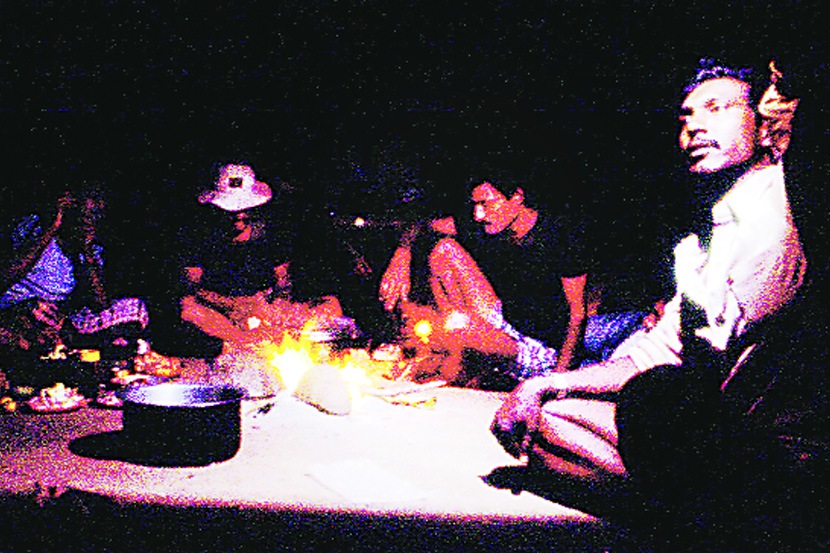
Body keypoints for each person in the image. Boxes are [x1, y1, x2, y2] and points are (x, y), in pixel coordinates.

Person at [491, 58, 827, 550]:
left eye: (717, 108)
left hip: (780, 451)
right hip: (704, 438)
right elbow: (655, 352)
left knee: (652, 400)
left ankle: (740, 518)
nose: (695, 126)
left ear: (763, 125)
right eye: (686, 116)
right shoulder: (710, 232)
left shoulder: (796, 196)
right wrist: (545, 382)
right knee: (544, 421)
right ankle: (700, 512)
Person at [379, 171, 590, 387]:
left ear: (517, 197)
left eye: (485, 204)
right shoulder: (483, 225)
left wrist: (559, 380)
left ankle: (456, 356)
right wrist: (402, 255)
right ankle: (462, 353)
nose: (478, 214)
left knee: (453, 327)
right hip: (501, 324)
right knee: (444, 250)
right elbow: (422, 224)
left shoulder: (559, 236)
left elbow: (578, 314)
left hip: (539, 350)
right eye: (475, 205)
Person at [174, 162, 343, 357]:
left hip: (264, 308)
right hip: (223, 313)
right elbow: (191, 292)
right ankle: (245, 343)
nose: (238, 217)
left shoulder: (271, 234)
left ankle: (271, 339)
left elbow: (283, 285)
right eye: (230, 213)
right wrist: (233, 305)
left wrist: (270, 307)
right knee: (190, 311)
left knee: (331, 305)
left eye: (244, 212)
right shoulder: (198, 238)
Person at [0, 184, 149, 358]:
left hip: (54, 318)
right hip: (15, 306)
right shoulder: (36, 228)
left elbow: (100, 305)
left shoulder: (90, 250)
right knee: (34, 317)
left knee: (134, 309)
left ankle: (74, 349)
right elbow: (7, 273)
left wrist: (85, 251)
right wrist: (52, 228)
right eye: (85, 215)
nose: (90, 222)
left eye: (95, 216)